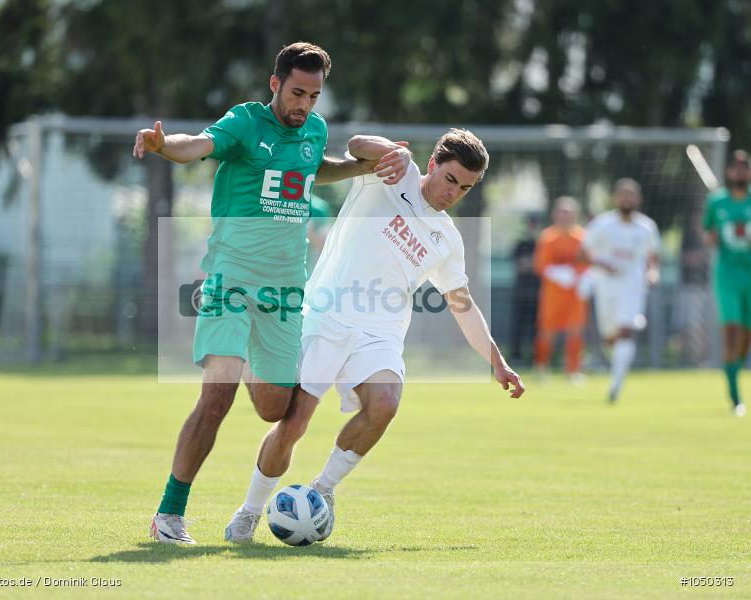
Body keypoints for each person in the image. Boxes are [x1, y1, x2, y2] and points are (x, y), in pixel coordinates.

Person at [133, 42, 411, 545]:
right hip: (231, 280)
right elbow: (196, 144)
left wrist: (358, 169)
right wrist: (162, 146)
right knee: (215, 398)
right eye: (297, 92)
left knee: (272, 409)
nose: (304, 104)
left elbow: (313, 166)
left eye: (314, 95)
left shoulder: (315, 131)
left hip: (286, 292)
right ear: (275, 83)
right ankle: (168, 515)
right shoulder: (245, 123)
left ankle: (241, 359)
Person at [224, 129, 525, 543]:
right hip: (327, 315)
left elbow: (463, 304)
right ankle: (250, 511)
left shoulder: (447, 239)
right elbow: (355, 145)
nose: (453, 192)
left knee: (385, 404)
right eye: (450, 179)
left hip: (379, 333)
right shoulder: (395, 173)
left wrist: (497, 361)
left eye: (466, 188)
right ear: (433, 165)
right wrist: (391, 151)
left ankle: (322, 490)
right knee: (293, 425)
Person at [579, 179, 660, 403]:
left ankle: (615, 385)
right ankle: (617, 363)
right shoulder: (602, 224)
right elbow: (584, 252)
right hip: (605, 286)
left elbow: (653, 256)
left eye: (631, 195)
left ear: (638, 199)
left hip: (632, 285)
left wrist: (653, 273)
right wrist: (603, 264)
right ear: (616, 198)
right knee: (611, 337)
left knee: (626, 330)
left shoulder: (646, 226)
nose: (627, 198)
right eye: (623, 194)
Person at [702, 149, 751, 417]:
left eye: (745, 167)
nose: (740, 172)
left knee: (745, 339)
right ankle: (735, 396)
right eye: (736, 167)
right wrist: (710, 238)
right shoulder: (716, 201)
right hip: (728, 276)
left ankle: (735, 371)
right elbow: (707, 231)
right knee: (730, 333)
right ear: (730, 171)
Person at [533, 197, 588, 381]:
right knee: (547, 331)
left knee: (575, 330)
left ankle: (573, 371)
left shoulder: (582, 237)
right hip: (553, 294)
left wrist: (577, 276)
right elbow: (541, 265)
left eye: (569, 213)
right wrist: (558, 273)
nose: (565, 217)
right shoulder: (547, 237)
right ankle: (541, 368)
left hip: (576, 293)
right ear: (554, 214)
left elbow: (587, 263)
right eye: (561, 212)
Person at [509, 213, 541, 364]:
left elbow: (541, 266)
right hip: (521, 293)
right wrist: (535, 263)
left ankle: (537, 359)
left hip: (538, 293)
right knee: (518, 326)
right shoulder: (520, 244)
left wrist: (534, 263)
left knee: (537, 328)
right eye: (530, 223)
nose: (532, 227)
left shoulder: (542, 244)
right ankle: (516, 357)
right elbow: (521, 266)